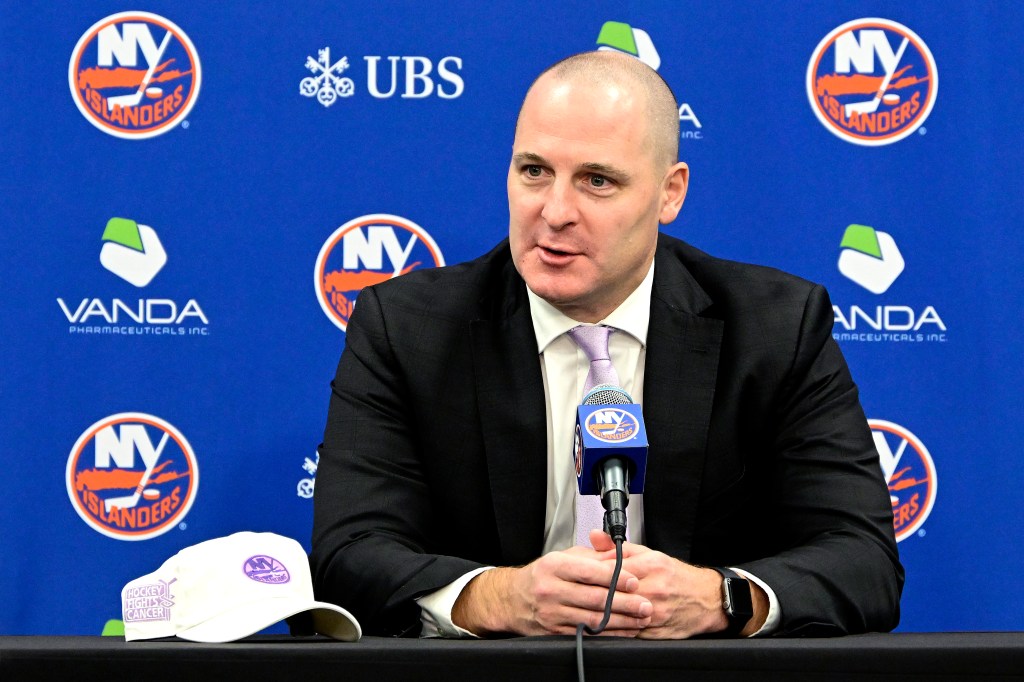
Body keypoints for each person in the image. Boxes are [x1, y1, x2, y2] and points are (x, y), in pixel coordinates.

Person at [310, 50, 903, 639]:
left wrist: (718, 597)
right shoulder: (407, 328)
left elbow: (863, 561)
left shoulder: (774, 329)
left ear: (670, 194)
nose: (555, 211)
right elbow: (349, 556)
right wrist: (498, 596)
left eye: (597, 181)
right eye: (534, 171)